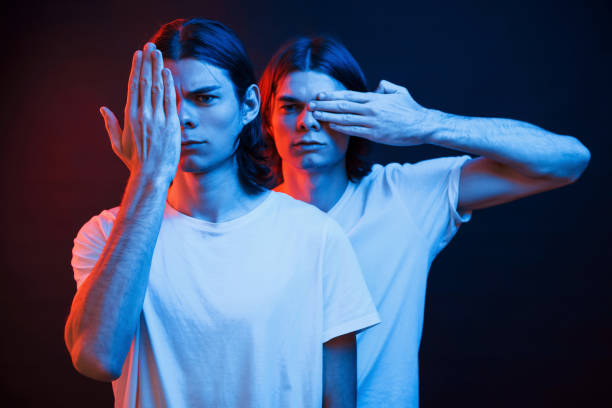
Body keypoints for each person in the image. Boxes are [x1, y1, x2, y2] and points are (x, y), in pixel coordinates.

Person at [258, 36, 591, 407]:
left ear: (359, 112)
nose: (308, 122)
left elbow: (568, 161)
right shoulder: (246, 219)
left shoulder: (403, 196)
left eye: (330, 106)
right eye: (290, 107)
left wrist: (425, 123)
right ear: (268, 120)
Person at [64, 20, 380, 407]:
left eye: (205, 97)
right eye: (167, 100)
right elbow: (96, 357)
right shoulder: (105, 233)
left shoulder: (315, 236)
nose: (183, 118)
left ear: (248, 105)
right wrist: (148, 179)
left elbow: (339, 399)